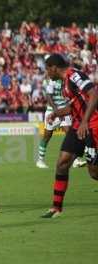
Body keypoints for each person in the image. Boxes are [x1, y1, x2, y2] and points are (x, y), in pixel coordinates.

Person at [42, 53, 98, 218]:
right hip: (77, 127)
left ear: (54, 67)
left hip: (92, 126)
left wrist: (85, 121)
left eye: (47, 69)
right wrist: (57, 113)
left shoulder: (74, 75)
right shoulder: (64, 82)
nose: (47, 73)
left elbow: (94, 94)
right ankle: (56, 208)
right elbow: (74, 107)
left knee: (94, 172)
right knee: (62, 163)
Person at [37, 77, 86, 168]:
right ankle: (40, 160)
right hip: (52, 111)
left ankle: (75, 160)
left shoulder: (67, 81)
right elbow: (48, 96)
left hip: (64, 110)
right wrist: (56, 111)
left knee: (70, 134)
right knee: (47, 136)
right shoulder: (52, 80)